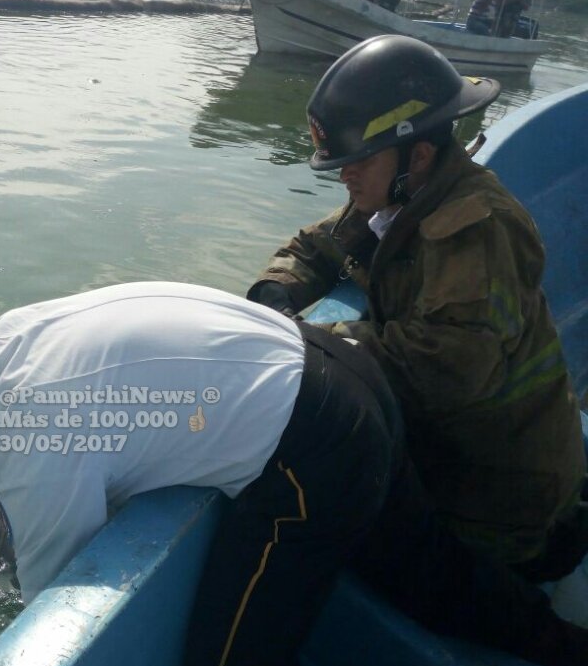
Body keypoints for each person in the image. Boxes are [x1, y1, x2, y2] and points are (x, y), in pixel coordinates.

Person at [0, 268, 588, 666]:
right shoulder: (19, 335)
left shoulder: (28, 440)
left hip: (309, 454)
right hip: (340, 369)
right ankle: (569, 649)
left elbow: (52, 610)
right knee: (432, 573)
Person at [247, 35, 587, 582]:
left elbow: (444, 367)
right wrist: (275, 295)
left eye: (358, 161)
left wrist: (315, 341)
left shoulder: (476, 230)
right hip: (453, 454)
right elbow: (318, 246)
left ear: (419, 154)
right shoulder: (406, 196)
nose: (344, 175)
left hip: (499, 505)